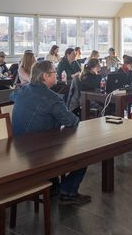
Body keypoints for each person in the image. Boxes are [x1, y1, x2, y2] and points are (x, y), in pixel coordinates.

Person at [10, 61, 90, 204]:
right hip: (38, 152)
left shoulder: (22, 90)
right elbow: (71, 121)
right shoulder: (51, 98)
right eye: (54, 72)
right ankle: (68, 193)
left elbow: (12, 96)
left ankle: (53, 186)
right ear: (45, 76)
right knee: (84, 155)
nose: (57, 74)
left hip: (17, 147)